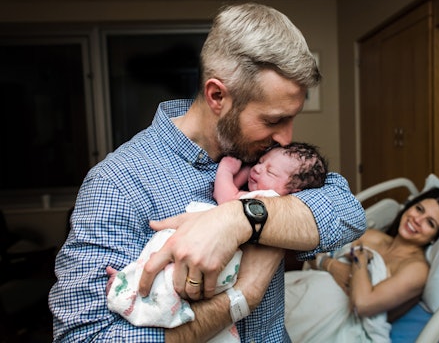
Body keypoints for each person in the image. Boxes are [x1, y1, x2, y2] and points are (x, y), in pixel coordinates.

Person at [49, 2, 365, 343]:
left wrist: (239, 219)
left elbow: (346, 211)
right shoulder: (117, 183)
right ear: (217, 96)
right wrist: (242, 297)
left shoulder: (263, 157)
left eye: (291, 118)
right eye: (273, 120)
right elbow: (82, 337)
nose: (286, 138)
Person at [105, 142, 328, 342]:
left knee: (170, 266)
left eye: (270, 171)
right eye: (260, 162)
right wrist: (249, 173)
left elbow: (226, 198)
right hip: (229, 273)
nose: (258, 169)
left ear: (293, 191)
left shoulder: (266, 201)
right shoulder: (278, 199)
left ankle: (128, 292)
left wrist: (226, 170)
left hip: (224, 266)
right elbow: (242, 188)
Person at [284, 188, 439, 343]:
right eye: (419, 209)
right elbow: (312, 255)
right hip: (305, 287)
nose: (417, 219)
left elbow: (363, 304)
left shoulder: (417, 269)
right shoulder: (371, 236)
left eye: (430, 222)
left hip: (334, 318)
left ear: (435, 237)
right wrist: (331, 265)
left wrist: (358, 261)